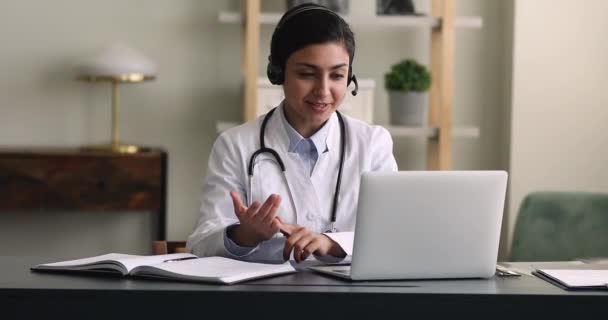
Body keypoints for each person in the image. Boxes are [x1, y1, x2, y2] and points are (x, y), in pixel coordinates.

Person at [186, 3, 397, 264]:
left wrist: (331, 243)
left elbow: (393, 235)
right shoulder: (235, 145)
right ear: (278, 72)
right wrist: (244, 235)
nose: (323, 90)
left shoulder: (373, 144)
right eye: (307, 74)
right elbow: (201, 242)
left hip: (347, 301)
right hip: (262, 300)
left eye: (337, 75)